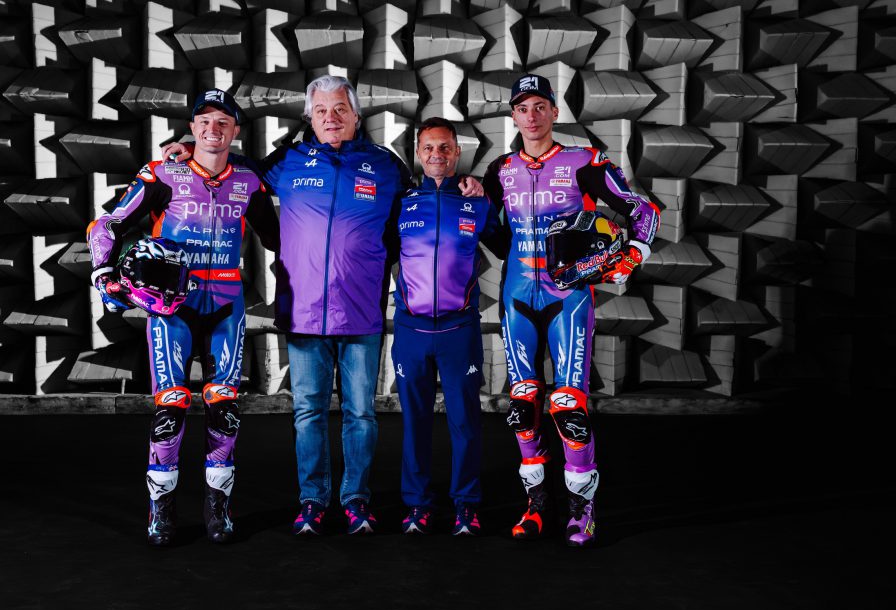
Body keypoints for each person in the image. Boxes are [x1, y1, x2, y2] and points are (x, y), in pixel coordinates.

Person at [163, 75, 483, 535]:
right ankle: (312, 501)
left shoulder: (386, 165)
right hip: (304, 312)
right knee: (308, 414)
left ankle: (356, 501)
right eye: (321, 111)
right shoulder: (286, 161)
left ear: (356, 115)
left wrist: (470, 185)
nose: (330, 118)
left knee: (361, 415)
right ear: (309, 118)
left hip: (362, 313)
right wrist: (188, 149)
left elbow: (425, 201)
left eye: (339, 110)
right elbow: (233, 167)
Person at [87, 89, 279, 546]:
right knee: (169, 413)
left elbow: (278, 239)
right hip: (171, 309)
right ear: (192, 127)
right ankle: (161, 511)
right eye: (204, 121)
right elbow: (107, 224)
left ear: (235, 131)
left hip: (227, 306)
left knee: (225, 411)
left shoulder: (249, 181)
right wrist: (103, 274)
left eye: (223, 122)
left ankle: (218, 510)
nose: (213, 129)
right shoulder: (161, 173)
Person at [482, 73, 660, 547]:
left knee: (568, 406)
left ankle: (583, 512)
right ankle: (536, 505)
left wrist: (631, 255)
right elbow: (489, 230)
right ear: (513, 115)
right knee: (523, 405)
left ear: (554, 112)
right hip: (517, 295)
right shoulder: (499, 169)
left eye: (540, 106)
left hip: (569, 298)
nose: (532, 116)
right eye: (523, 108)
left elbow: (643, 211)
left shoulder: (584, 161)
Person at [392, 117, 509, 536]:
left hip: (459, 331)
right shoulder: (400, 201)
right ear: (417, 153)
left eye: (445, 147)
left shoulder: (475, 201)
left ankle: (466, 504)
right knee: (415, 423)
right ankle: (417, 505)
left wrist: (486, 193)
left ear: (457, 152)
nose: (436, 155)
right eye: (428, 147)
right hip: (411, 331)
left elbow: (507, 247)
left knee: (465, 422)